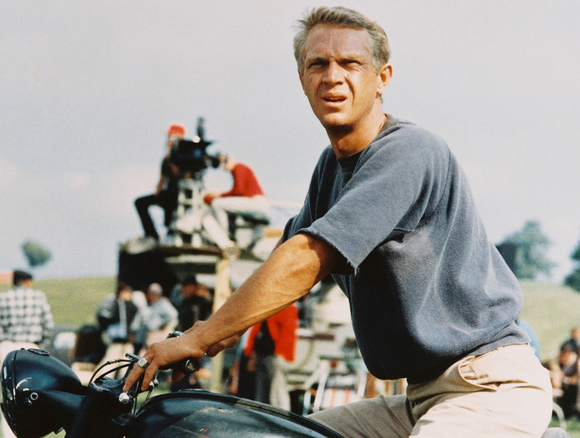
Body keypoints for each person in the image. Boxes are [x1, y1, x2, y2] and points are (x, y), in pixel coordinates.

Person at [125, 6, 552, 437]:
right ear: (302, 79)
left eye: (350, 63)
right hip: (420, 397)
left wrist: (197, 340)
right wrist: (208, 337)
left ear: (382, 77)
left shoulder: (409, 151)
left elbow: (306, 258)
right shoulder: (331, 168)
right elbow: (282, 260)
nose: (332, 76)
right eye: (318, 64)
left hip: (486, 388)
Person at [0, 270, 54, 438]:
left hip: (7, 349)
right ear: (27, 281)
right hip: (31, 348)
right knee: (31, 397)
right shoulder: (39, 297)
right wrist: (41, 348)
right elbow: (49, 325)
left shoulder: (3, 297)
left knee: (7, 398)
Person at [197, 154, 269, 254]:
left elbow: (239, 191)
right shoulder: (238, 170)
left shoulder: (239, 167)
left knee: (217, 204)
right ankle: (230, 235)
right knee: (223, 205)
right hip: (256, 202)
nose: (224, 168)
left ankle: (225, 237)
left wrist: (218, 195)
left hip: (255, 202)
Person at [243, 302, 298, 410]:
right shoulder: (268, 306)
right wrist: (252, 353)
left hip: (275, 355)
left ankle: (282, 418)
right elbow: (256, 331)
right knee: (262, 392)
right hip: (262, 354)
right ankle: (262, 417)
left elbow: (288, 333)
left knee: (277, 391)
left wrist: (281, 354)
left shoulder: (288, 307)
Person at [134, 123, 184, 241]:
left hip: (178, 193)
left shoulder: (182, 157)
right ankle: (151, 234)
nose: (168, 140)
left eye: (171, 137)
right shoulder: (166, 159)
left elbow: (180, 175)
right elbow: (162, 179)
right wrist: (157, 195)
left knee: (171, 202)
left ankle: (170, 232)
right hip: (168, 192)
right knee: (140, 202)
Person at [143, 283, 179, 348]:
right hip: (151, 335)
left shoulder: (163, 303)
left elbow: (173, 315)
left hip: (159, 335)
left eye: (153, 293)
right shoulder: (151, 304)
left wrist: (164, 326)